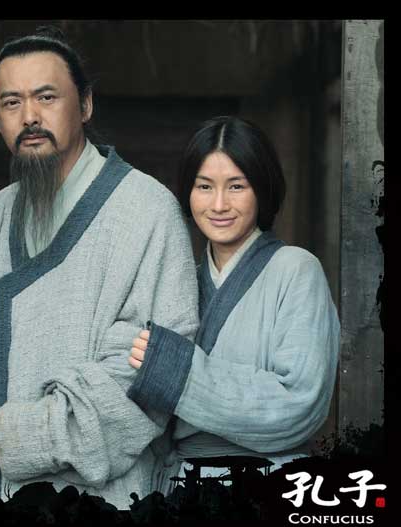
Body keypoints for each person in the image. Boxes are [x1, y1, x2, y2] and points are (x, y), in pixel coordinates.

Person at [0, 28, 199, 510]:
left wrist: (16, 436)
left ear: (86, 105)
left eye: (46, 97)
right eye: (11, 102)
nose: (29, 116)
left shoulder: (146, 210)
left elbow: (147, 378)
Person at [126, 116, 339, 485]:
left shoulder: (297, 270)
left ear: (262, 189)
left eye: (236, 186)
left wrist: (179, 374)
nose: (219, 204)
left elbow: (299, 402)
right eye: (204, 186)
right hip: (181, 483)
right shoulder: (182, 283)